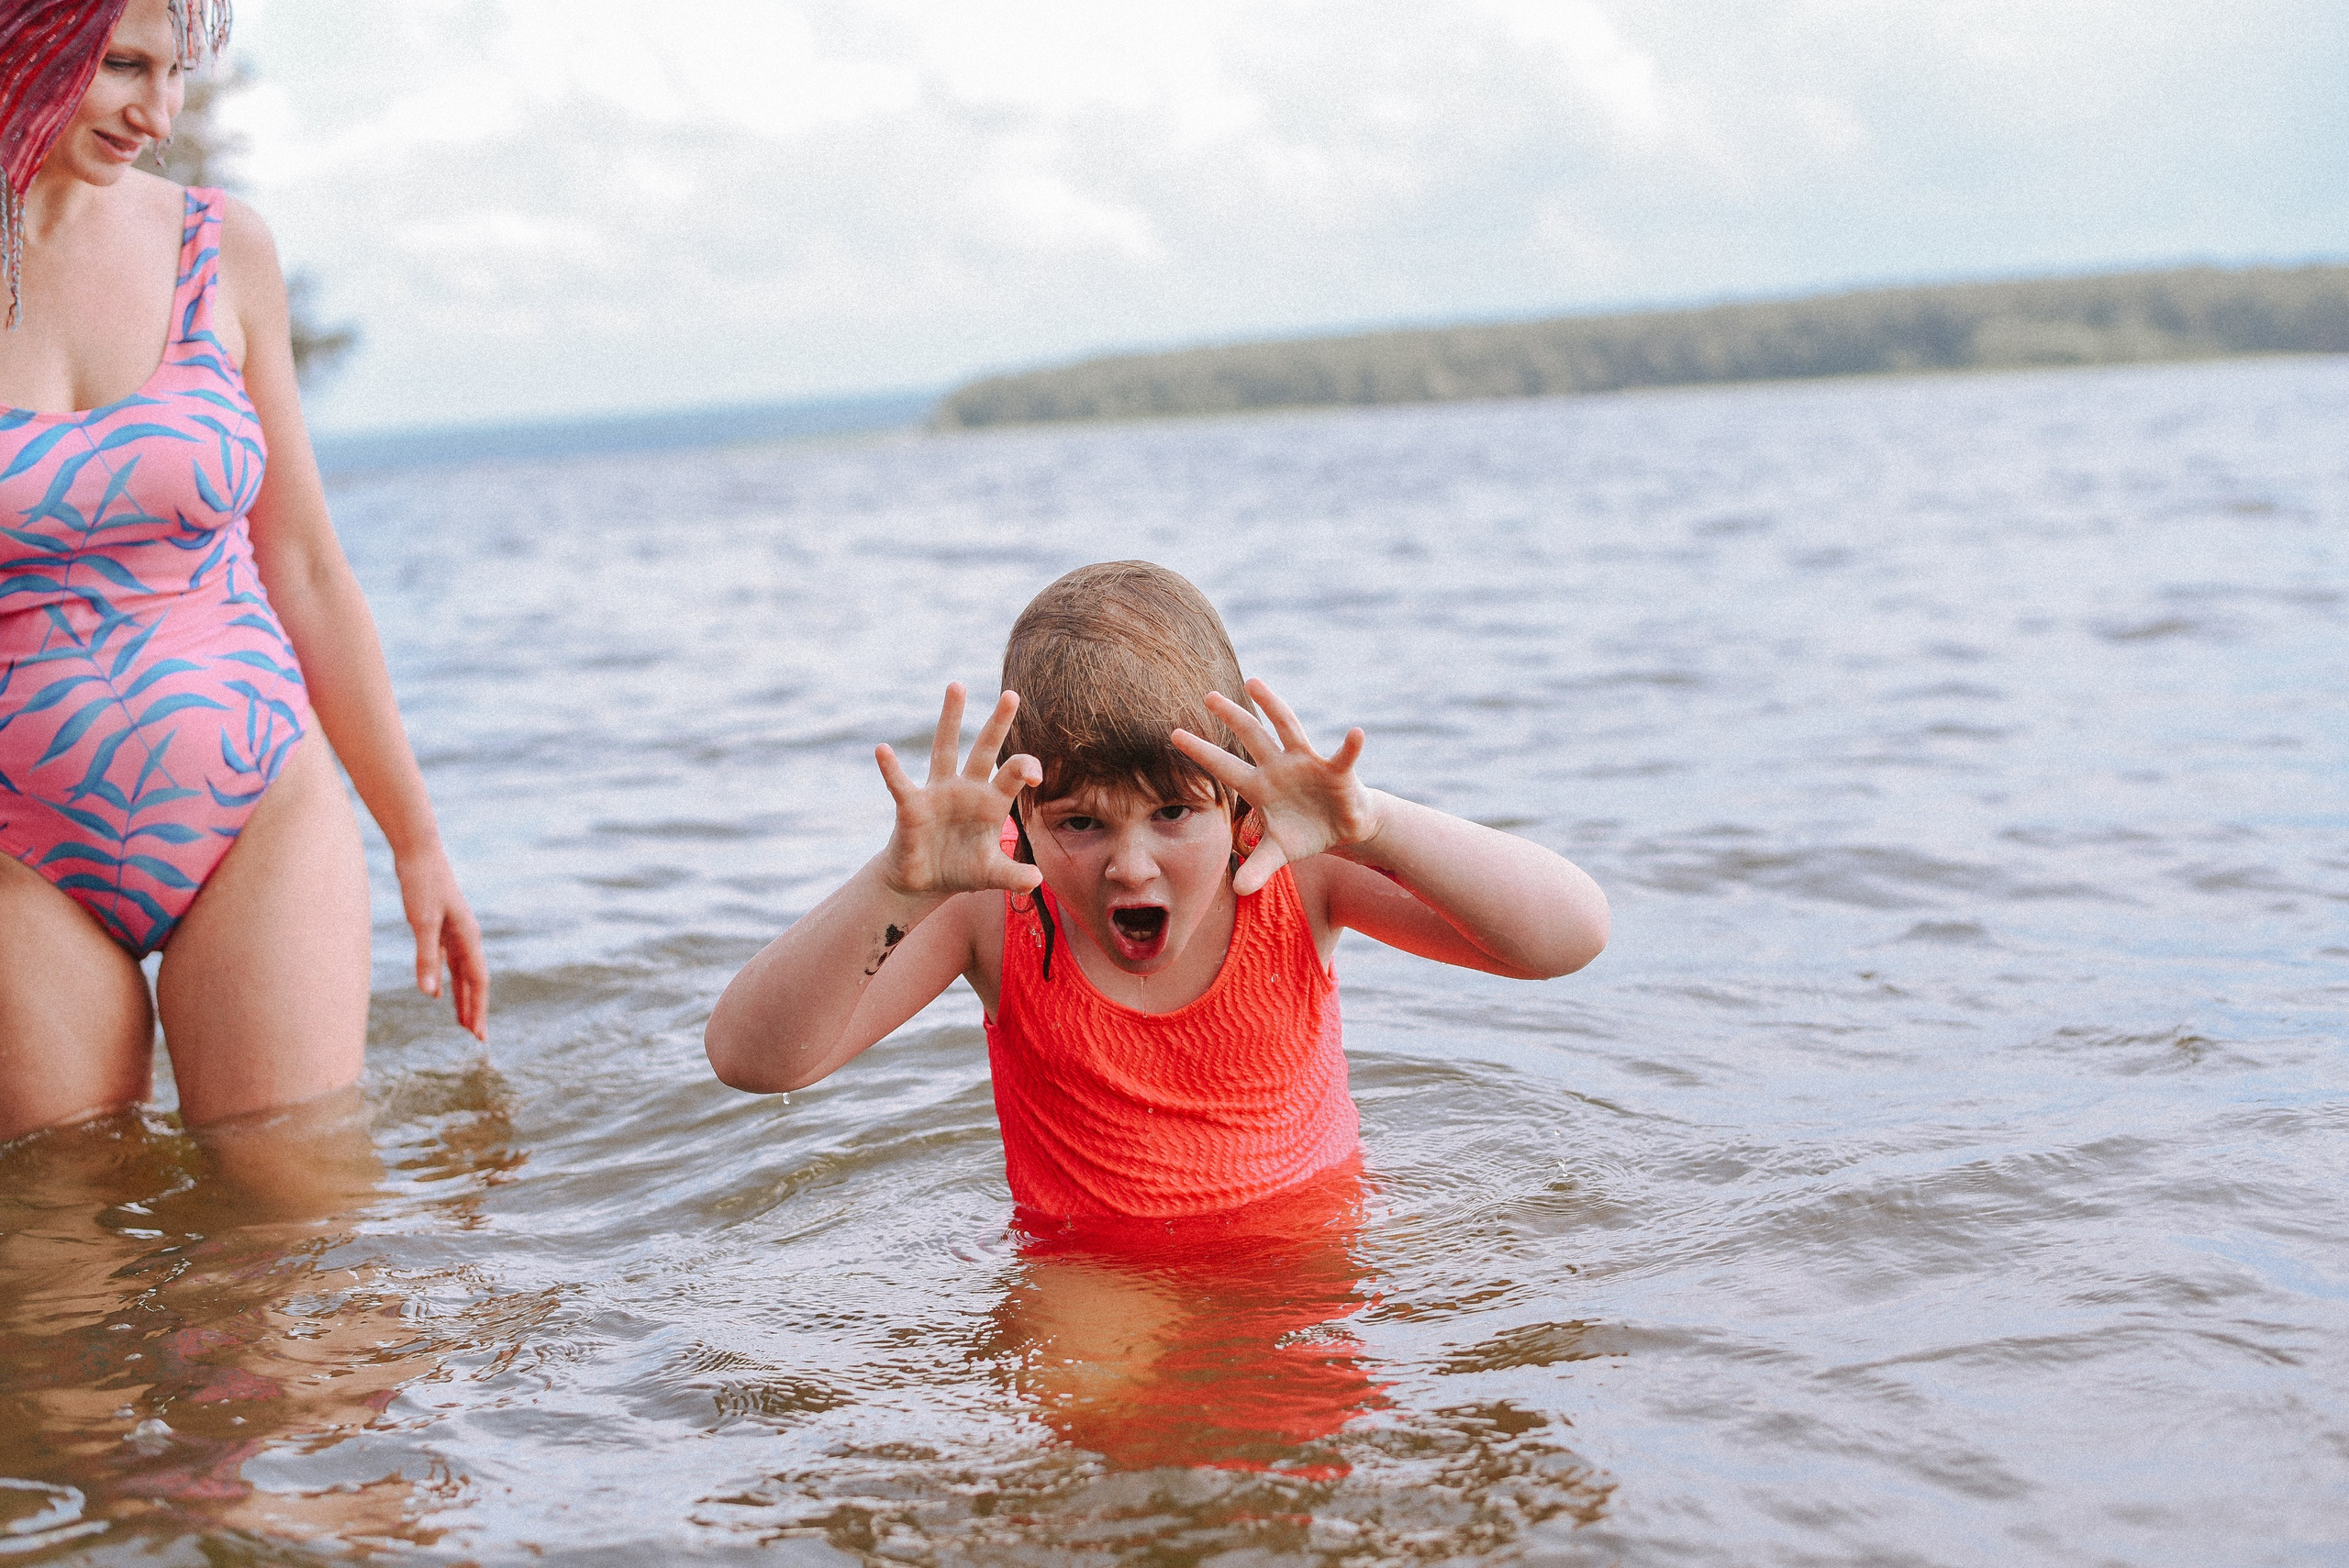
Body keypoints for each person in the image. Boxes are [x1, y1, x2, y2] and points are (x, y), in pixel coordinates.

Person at [706, 561, 1609, 1222]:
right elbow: (755, 1061)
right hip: (1096, 1276)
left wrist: (1376, 823)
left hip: (1304, 1250)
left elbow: (1568, 936)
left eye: (1172, 812)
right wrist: (894, 887)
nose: (1130, 865)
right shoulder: (994, 903)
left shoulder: (1292, 868)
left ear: (1238, 797)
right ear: (1023, 815)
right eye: (1080, 823)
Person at [0, 0, 486, 1143]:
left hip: (257, 803)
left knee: (292, 1205)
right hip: (17, 844)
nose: (157, 114)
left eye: (174, 74)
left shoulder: (221, 247)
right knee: (64, 1215)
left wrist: (416, 839)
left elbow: (305, 566)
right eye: (124, 66)